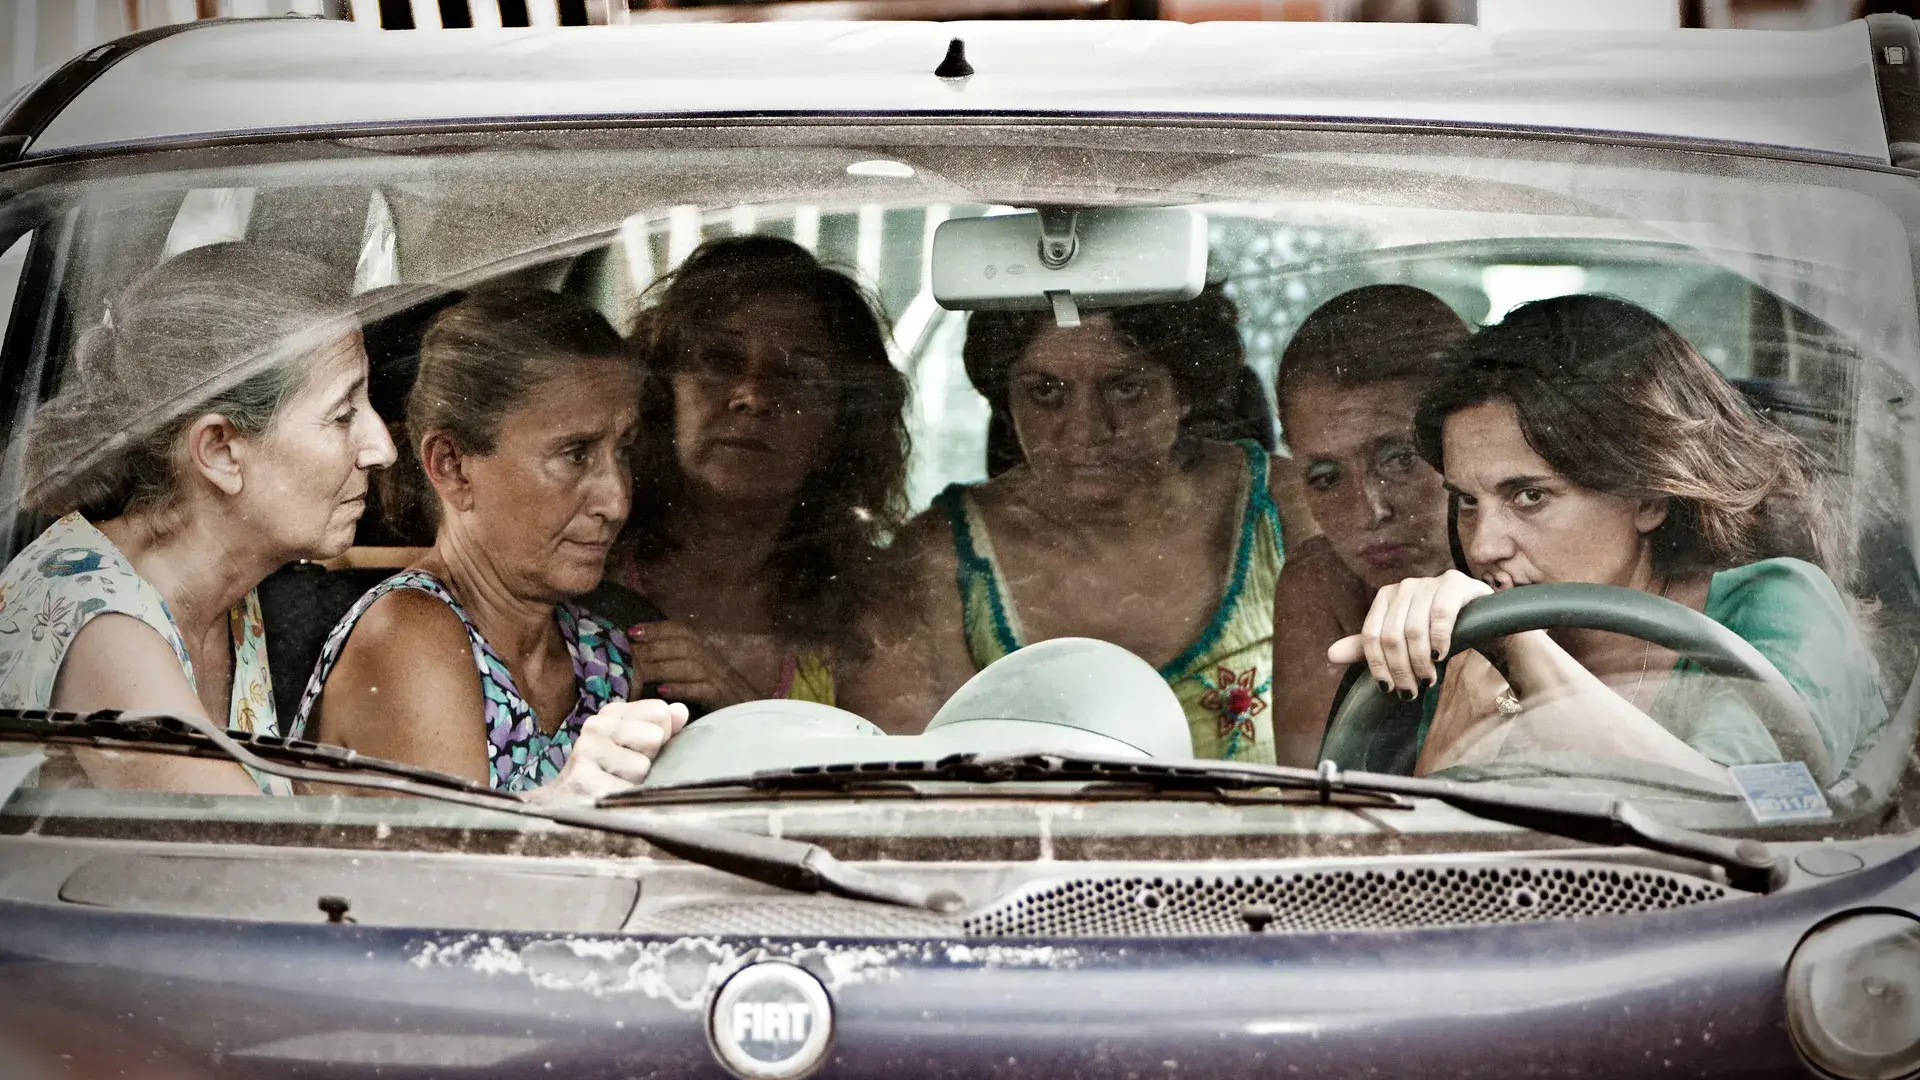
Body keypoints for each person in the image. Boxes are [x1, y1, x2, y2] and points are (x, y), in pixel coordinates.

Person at [1333, 294, 1887, 783]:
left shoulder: (1781, 605)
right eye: (1468, 502)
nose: (1483, 547)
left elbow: (1737, 813)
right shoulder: (1473, 640)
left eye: (1530, 496)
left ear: (1647, 496)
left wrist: (1520, 656)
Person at [850, 285, 1314, 762]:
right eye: (1045, 392)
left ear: (1185, 390)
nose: (1086, 429)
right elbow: (911, 789)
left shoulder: (1290, 507)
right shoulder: (937, 559)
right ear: (1006, 398)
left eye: (1125, 387)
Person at [0, 242, 397, 794]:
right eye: (343, 414)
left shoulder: (221, 593)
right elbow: (255, 863)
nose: (382, 448)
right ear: (220, 452)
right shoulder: (105, 630)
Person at [293, 289, 686, 802]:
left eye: (624, 451)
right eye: (575, 454)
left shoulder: (604, 656)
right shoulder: (409, 635)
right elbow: (451, 875)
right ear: (452, 467)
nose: (616, 501)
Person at [605, 236, 910, 712]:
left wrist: (740, 712)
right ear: (662, 395)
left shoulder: (870, 611)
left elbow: (889, 780)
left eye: (799, 375)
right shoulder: (583, 564)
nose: (753, 394)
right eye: (720, 361)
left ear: (840, 428)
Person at [1269, 285, 1471, 766]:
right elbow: (1309, 806)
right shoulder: (1323, 584)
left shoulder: (1543, 562)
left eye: (1400, 459)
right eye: (1325, 476)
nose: (1369, 510)